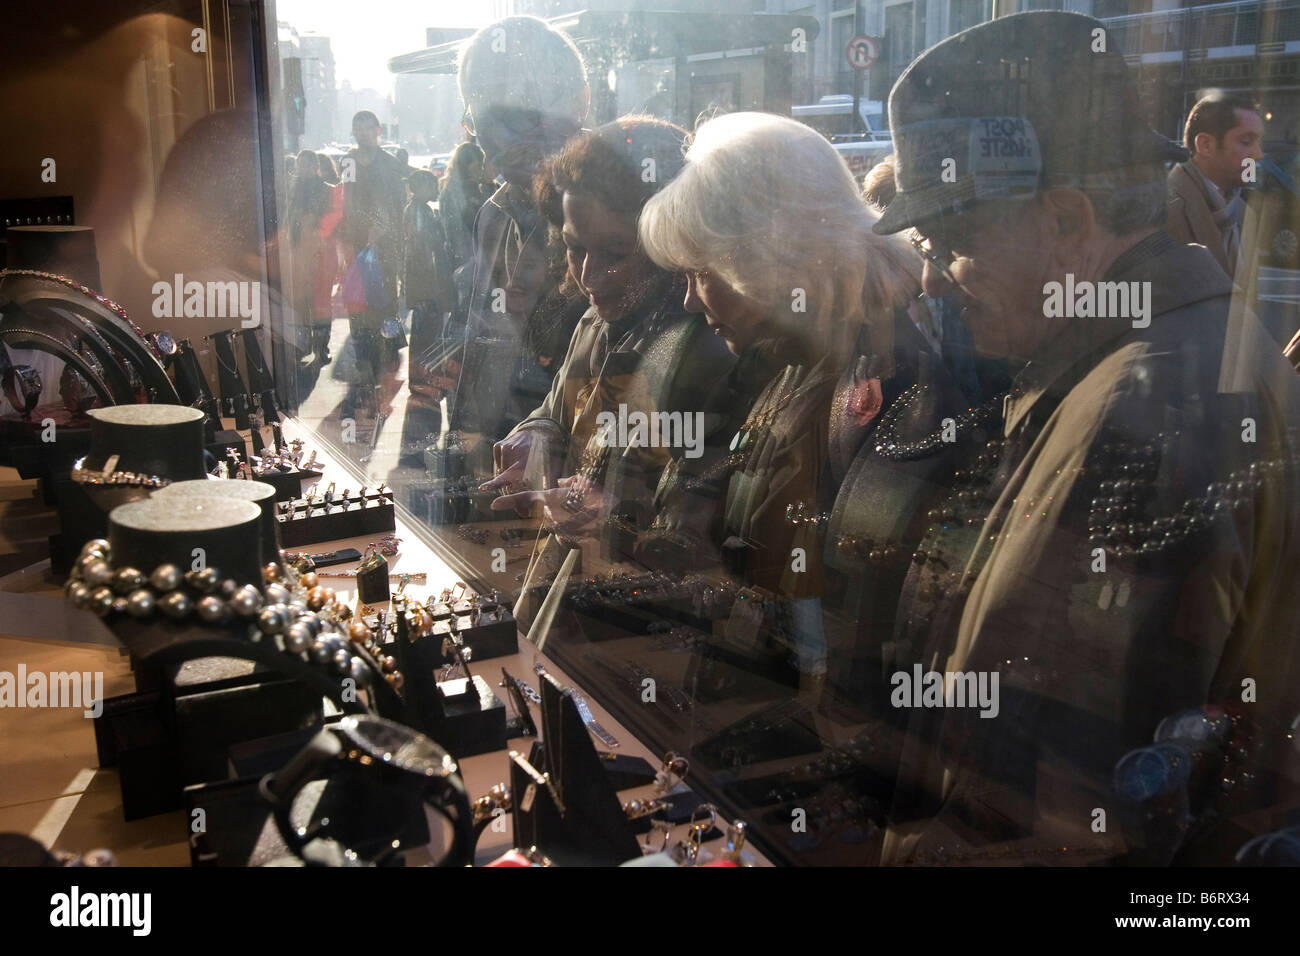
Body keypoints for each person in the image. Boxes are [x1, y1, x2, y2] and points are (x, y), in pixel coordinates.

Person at [864, 11, 1300, 865]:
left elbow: (1062, 812)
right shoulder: (1163, 359)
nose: (930, 278)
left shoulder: (1136, 407)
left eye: (951, 240)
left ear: (1065, 217)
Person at [638, 111, 918, 696]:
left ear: (772, 257)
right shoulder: (805, 357)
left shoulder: (889, 370)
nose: (690, 302)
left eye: (702, 273)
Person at [483, 117, 735, 569]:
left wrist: (613, 518)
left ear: (671, 239)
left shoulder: (713, 346)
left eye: (617, 255)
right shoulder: (596, 319)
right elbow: (559, 410)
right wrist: (536, 434)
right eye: (574, 248)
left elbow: (710, 529)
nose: (589, 277)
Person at [448, 15, 590, 475]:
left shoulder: (620, 212)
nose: (487, 159)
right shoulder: (494, 214)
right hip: (507, 457)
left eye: (496, 131)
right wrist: (467, 444)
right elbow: (482, 346)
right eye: (477, 131)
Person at [336, 109, 407, 423]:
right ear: (353, 132)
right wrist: (351, 241)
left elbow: (395, 204)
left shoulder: (390, 164)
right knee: (358, 306)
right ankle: (365, 370)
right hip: (356, 246)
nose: (363, 133)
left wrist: (382, 233)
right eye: (357, 128)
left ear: (379, 130)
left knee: (385, 305)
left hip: (384, 246)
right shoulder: (348, 162)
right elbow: (346, 203)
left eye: (368, 128)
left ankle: (386, 363)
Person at [1167, 90, 1264, 280]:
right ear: (1205, 145)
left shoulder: (1244, 213)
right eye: (1246, 141)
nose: (1258, 154)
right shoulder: (1163, 211)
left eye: (1259, 142)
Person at [399, 169, 455, 464]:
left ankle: (427, 385)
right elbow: (419, 258)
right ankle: (423, 387)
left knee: (428, 344)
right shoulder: (418, 213)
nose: (434, 188)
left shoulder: (422, 211)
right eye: (429, 184)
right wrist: (424, 296)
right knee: (424, 344)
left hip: (429, 295)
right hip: (427, 296)